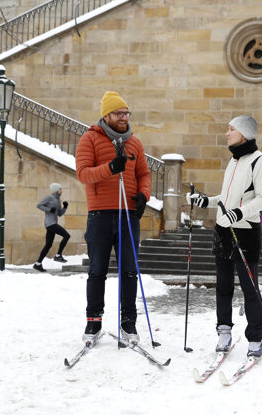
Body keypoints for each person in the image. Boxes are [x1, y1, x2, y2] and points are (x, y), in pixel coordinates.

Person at [187, 115, 262, 358]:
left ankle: (255, 338)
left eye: (231, 129)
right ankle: (224, 331)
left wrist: (239, 213)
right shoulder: (233, 161)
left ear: (244, 134)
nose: (227, 133)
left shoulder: (259, 161)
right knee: (223, 286)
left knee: (249, 288)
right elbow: (225, 198)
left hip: (245, 231)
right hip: (223, 230)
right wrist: (206, 201)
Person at [75, 91, 151, 344]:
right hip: (100, 214)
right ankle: (93, 322)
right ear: (106, 115)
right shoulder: (90, 139)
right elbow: (83, 174)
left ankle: (129, 323)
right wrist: (109, 168)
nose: (123, 118)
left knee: (129, 271)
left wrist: (143, 195)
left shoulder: (135, 143)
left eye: (126, 113)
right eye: (119, 113)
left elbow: (144, 174)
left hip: (128, 214)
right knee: (97, 270)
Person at [33, 183, 70, 272]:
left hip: (53, 223)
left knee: (48, 245)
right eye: (60, 189)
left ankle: (38, 264)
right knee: (66, 235)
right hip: (50, 223)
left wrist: (65, 207)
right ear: (55, 190)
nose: (61, 191)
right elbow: (39, 205)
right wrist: (49, 209)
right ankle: (58, 256)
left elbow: (59, 214)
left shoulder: (58, 200)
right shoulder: (49, 198)